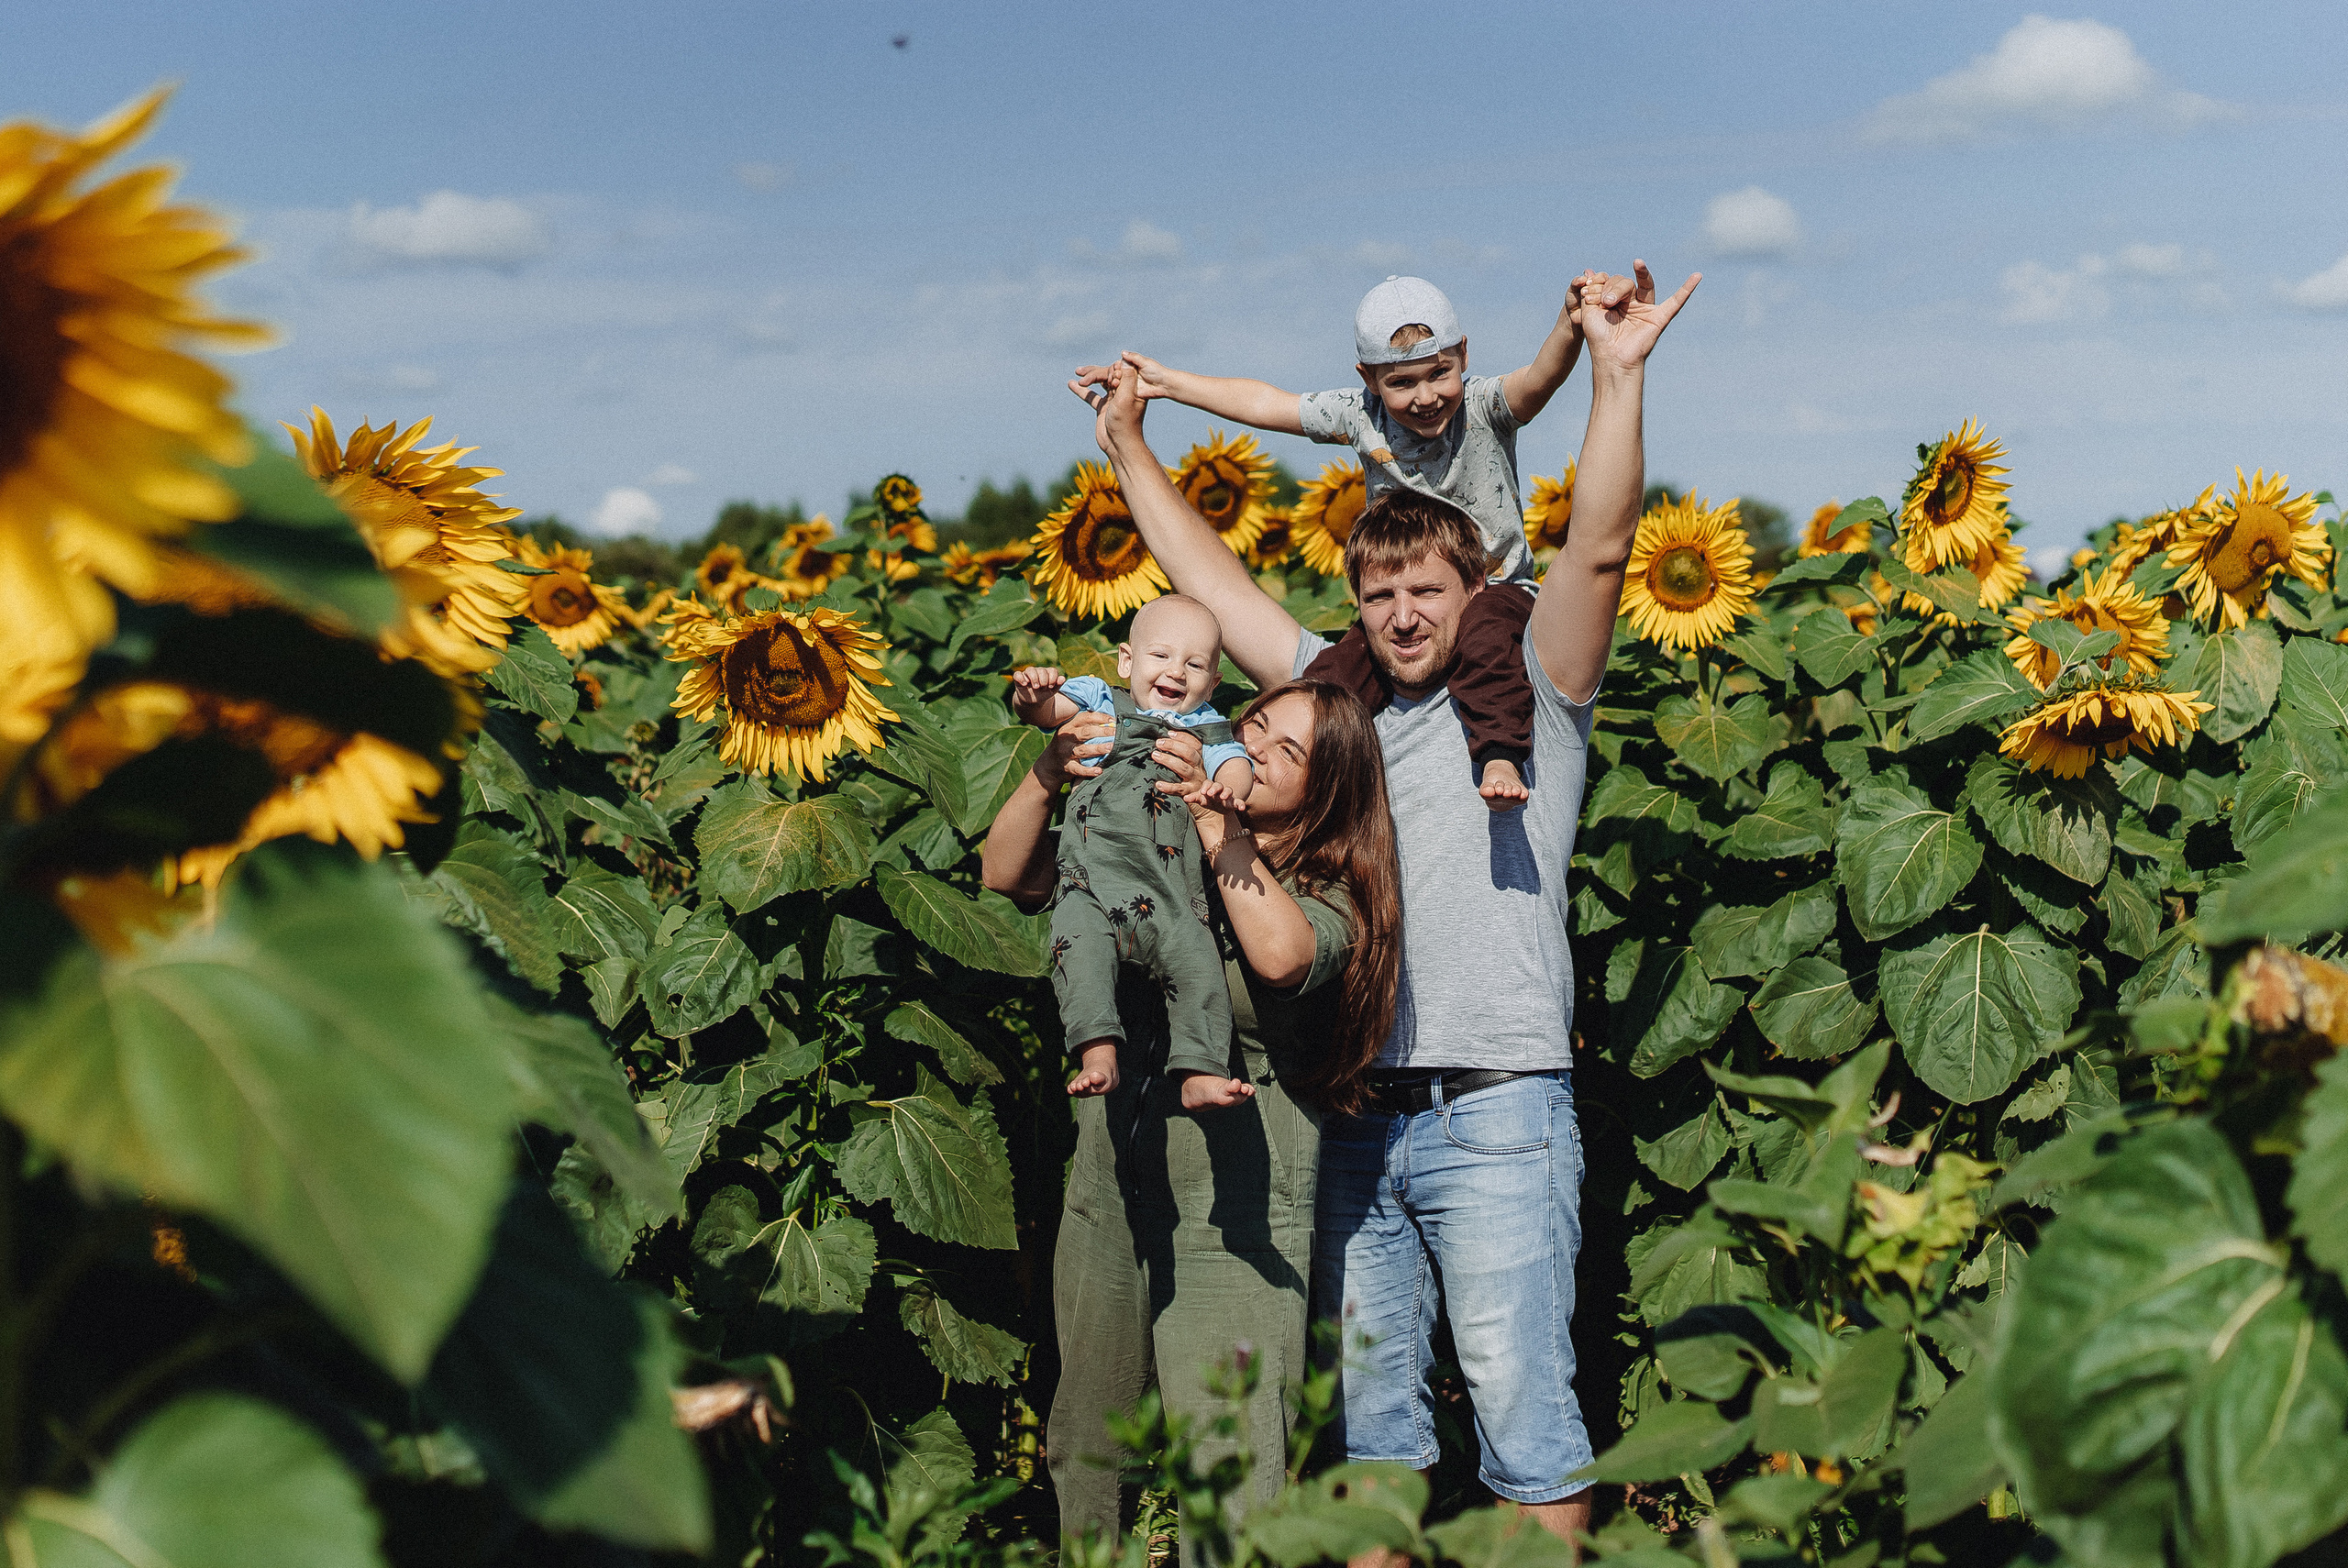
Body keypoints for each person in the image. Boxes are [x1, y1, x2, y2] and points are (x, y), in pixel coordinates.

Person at [1069, 260, 1699, 1553]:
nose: (1404, 613)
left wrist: (1620, 373)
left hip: (1499, 1105)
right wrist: (1130, 443)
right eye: (1379, 594)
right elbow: (1218, 580)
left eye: (1429, 591)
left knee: (1524, 1423)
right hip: (1358, 1117)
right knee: (1376, 1438)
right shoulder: (1341, 709)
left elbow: (1604, 543)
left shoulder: (1535, 690)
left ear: (1474, 593)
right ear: (1356, 606)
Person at [982, 678, 1402, 1555]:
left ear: (1323, 793)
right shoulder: (1145, 828)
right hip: (1112, 1187)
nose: (1256, 748)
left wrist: (1220, 825)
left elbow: (1281, 959)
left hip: (1235, 1215)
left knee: (1230, 1469)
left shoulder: (1332, 890)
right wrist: (1051, 769)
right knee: (1087, 1452)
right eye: (1256, 725)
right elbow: (1007, 873)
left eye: (1287, 753)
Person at [1109, 272, 1591, 811]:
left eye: (1440, 374)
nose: (1426, 397)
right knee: (1336, 673)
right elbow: (1268, 404)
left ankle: (1499, 750)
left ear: (1463, 355)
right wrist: (1168, 383)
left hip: (1497, 586)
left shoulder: (1483, 407)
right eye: (1402, 383)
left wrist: (1570, 324)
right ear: (1369, 378)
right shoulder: (1362, 416)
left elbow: (1539, 379)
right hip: (1399, 575)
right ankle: (1268, 767)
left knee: (1484, 644)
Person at [1008, 594, 1258, 1109]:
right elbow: (1047, 713)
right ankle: (1097, 1052)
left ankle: (1200, 1070)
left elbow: (1236, 764)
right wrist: (1033, 696)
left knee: (1198, 966)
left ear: (1213, 684)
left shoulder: (1207, 729)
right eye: (1161, 656)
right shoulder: (1101, 698)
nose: (1176, 672)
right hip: (1088, 886)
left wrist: (1227, 790)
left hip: (1170, 896)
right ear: (1127, 661)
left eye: (1195, 665)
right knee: (1077, 950)